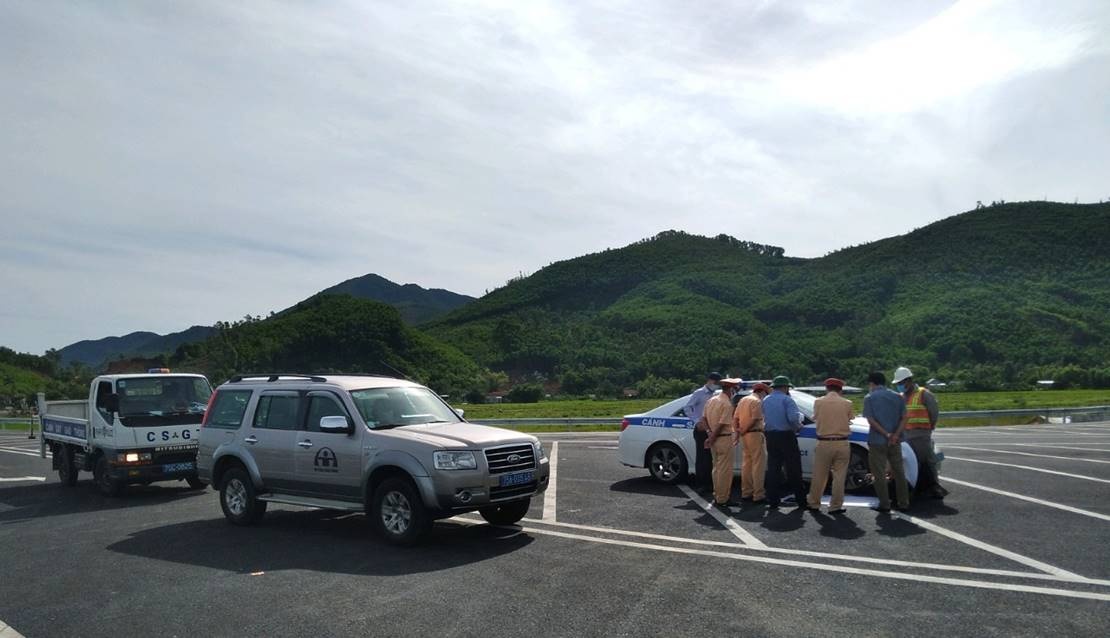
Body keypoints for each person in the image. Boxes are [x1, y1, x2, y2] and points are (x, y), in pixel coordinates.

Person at [893, 366, 948, 499]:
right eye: (898, 384)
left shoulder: (924, 393)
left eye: (901, 383)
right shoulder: (901, 396)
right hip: (906, 434)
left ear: (909, 380)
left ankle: (934, 486)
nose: (899, 386)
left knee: (927, 461)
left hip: (921, 434)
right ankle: (918, 487)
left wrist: (930, 427)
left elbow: (933, 412)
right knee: (912, 462)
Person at [806, 378, 854, 514]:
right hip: (842, 442)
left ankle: (814, 503)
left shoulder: (818, 402)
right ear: (840, 390)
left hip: (824, 442)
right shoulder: (847, 403)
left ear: (827, 388)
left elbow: (815, 417)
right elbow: (850, 418)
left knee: (819, 475)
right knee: (839, 476)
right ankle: (835, 506)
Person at [863, 371, 909, 513]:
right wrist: (895, 435)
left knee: (879, 473)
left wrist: (886, 434)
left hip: (877, 441)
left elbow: (870, 420)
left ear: (871, 383)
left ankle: (885, 504)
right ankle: (903, 502)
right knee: (899, 472)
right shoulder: (898, 397)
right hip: (895, 441)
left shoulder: (869, 398)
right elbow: (905, 418)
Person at [762, 375, 805, 509]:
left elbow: (764, 417)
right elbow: (793, 419)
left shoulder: (766, 400)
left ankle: (773, 500)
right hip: (786, 436)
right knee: (794, 469)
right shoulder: (787, 400)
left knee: (773, 468)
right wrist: (798, 425)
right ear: (785, 387)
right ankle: (801, 501)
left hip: (771, 436)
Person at [704, 378, 742, 508]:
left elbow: (703, 418)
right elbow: (721, 424)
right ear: (731, 389)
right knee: (724, 471)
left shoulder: (711, 400)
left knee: (716, 469)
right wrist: (712, 437)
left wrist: (709, 433)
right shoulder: (726, 404)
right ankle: (722, 498)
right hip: (723, 438)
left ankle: (717, 495)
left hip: (714, 439)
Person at [685, 372, 721, 493]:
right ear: (709, 380)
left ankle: (710, 483)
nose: (716, 385)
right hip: (701, 429)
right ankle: (701, 484)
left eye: (718, 383)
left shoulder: (716, 394)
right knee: (702, 458)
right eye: (715, 382)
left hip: (713, 428)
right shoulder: (699, 393)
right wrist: (696, 421)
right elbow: (687, 408)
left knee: (711, 457)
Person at [734, 382, 769, 503]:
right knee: (758, 465)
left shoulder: (743, 400)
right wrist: (745, 429)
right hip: (755, 433)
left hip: (745, 436)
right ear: (762, 392)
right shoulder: (757, 401)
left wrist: (739, 433)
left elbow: (736, 417)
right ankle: (758, 494)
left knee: (747, 465)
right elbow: (755, 419)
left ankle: (746, 492)